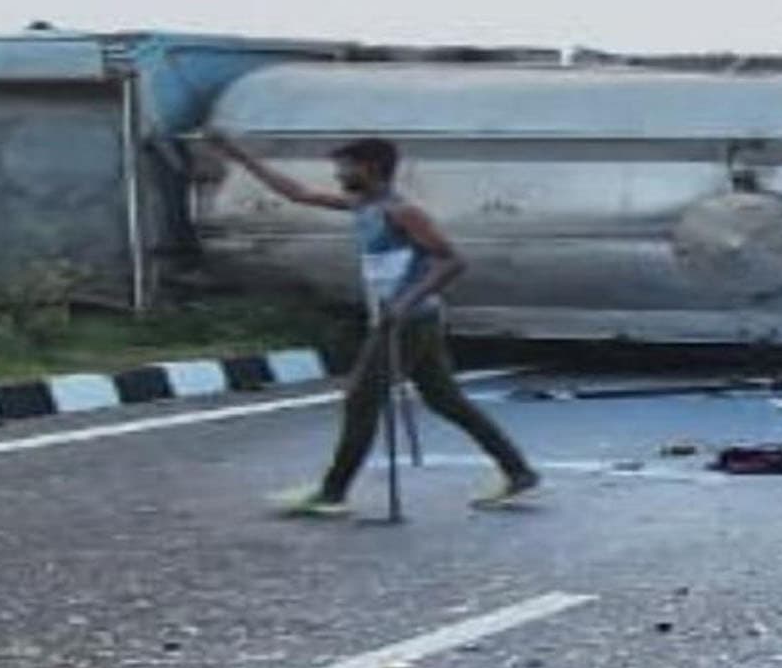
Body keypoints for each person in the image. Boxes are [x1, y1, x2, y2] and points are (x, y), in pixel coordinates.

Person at [202, 129, 540, 516]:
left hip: (407, 321)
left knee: (361, 399)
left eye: (344, 167)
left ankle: (333, 492)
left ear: (370, 168)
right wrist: (238, 156)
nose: (338, 175)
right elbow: (297, 193)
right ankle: (518, 471)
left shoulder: (402, 212)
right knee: (446, 400)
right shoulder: (364, 205)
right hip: (408, 319)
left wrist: (403, 303)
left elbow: (451, 260)